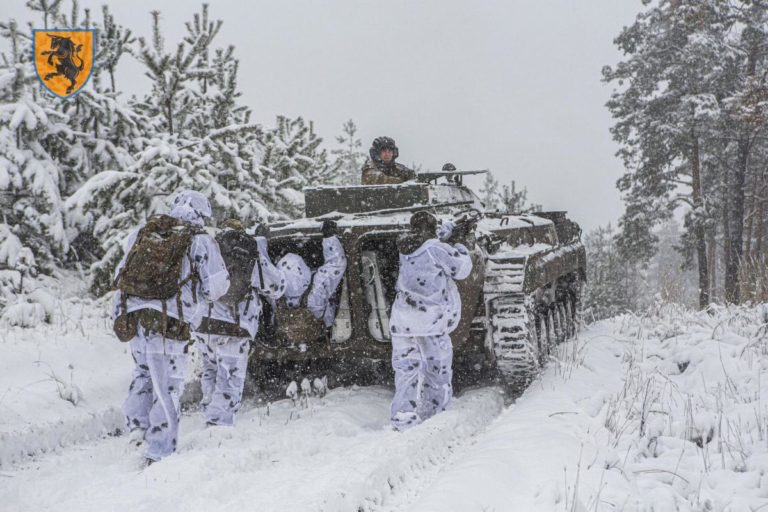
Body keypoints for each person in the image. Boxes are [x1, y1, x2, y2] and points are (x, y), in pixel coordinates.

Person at [112, 190, 229, 465]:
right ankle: (159, 451)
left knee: (142, 373)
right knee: (168, 387)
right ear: (201, 214)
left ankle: (137, 430)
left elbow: (120, 274)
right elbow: (216, 287)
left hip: (136, 319)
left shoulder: (143, 232)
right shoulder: (200, 241)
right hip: (169, 322)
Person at [194, 219, 285, 427]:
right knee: (230, 378)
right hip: (234, 327)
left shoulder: (208, 249)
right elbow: (276, 287)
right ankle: (218, 425)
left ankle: (209, 411)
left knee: (211, 369)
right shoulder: (248, 253)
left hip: (204, 324)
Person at [388, 211, 473, 430]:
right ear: (431, 228)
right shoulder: (437, 249)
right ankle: (435, 413)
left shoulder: (404, 247)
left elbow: (427, 244)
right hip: (429, 321)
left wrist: (448, 231)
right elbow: (462, 269)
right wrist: (461, 244)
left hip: (402, 320)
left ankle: (403, 416)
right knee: (437, 368)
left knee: (405, 369)